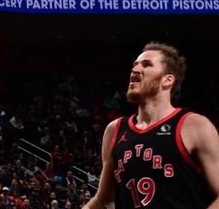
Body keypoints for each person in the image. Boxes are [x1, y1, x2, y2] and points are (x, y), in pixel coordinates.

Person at [83, 42, 219, 208]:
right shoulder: (115, 130)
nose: (135, 70)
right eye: (135, 65)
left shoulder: (195, 126)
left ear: (167, 80)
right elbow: (104, 201)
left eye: (146, 65)